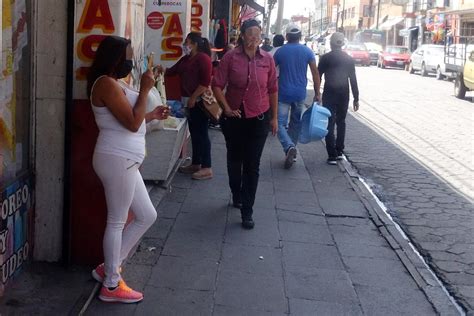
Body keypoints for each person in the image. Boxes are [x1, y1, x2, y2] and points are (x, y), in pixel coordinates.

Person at [87, 36, 169, 303]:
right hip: (117, 159)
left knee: (147, 214)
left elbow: (129, 120)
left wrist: (152, 116)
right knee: (117, 221)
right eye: (128, 55)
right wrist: (145, 89)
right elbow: (132, 125)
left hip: (125, 160)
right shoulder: (105, 84)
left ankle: (109, 267)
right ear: (115, 58)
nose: (132, 61)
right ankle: (111, 284)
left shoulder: (113, 83)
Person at [212, 19, 278, 229]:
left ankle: (247, 211)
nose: (254, 37)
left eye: (257, 34)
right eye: (250, 33)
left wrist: (274, 117)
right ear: (242, 35)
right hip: (234, 119)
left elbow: (273, 89)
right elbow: (217, 85)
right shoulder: (231, 58)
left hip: (259, 118)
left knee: (253, 164)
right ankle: (236, 192)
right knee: (234, 160)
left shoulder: (267, 59)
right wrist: (226, 108)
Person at [156, 32, 213, 180]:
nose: (184, 45)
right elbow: (171, 71)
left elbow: (205, 83)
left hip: (199, 102)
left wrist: (194, 97)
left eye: (187, 42)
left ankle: (207, 167)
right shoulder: (186, 59)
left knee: (202, 133)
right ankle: (196, 163)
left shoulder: (203, 59)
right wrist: (160, 69)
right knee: (194, 132)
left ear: (194, 43)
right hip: (187, 101)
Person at [273, 24, 321, 169]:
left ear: (286, 37)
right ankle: (291, 150)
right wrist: (317, 93)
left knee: (279, 123)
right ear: (300, 37)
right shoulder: (307, 51)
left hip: (283, 93)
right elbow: (315, 73)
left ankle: (289, 148)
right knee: (295, 123)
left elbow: (270, 71)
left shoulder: (280, 52)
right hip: (300, 93)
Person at [317, 32, 359, 165]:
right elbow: (353, 80)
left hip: (329, 92)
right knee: (341, 122)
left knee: (329, 122)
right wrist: (356, 98)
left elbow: (318, 76)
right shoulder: (348, 59)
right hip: (344, 94)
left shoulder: (325, 58)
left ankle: (332, 155)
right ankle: (339, 151)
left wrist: (317, 93)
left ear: (330, 43)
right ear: (343, 43)